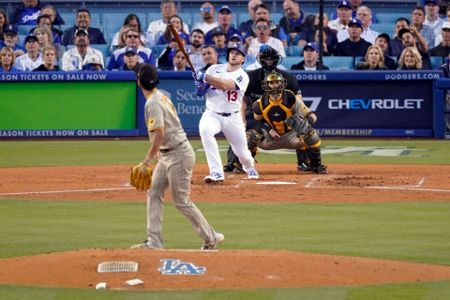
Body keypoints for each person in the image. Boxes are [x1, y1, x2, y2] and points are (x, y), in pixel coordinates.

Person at [130, 63, 224, 250]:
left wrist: (147, 159)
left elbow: (159, 133)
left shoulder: (153, 102)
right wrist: (158, 153)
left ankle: (211, 237)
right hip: (169, 153)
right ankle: (154, 241)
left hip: (178, 154)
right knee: (154, 192)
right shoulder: (160, 96)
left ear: (138, 81)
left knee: (181, 201)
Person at [225, 45, 312, 173]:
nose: (269, 61)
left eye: (272, 59)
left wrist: (295, 116)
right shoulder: (251, 77)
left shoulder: (288, 77)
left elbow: (298, 98)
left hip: (283, 115)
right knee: (240, 126)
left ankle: (305, 162)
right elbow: (243, 100)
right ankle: (235, 162)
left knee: (303, 124)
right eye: (266, 59)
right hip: (257, 117)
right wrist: (241, 118)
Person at [193, 44, 259, 183]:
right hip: (212, 113)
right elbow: (201, 92)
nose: (234, 55)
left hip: (233, 116)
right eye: (232, 52)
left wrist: (205, 76)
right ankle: (216, 173)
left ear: (243, 59)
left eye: (238, 53)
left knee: (242, 152)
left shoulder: (243, 76)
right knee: (205, 131)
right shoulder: (214, 69)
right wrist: (199, 84)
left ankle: (249, 166)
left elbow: (225, 85)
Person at [248, 72, 327, 174]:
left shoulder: (291, 99)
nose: (275, 85)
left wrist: (307, 122)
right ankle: (246, 165)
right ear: (266, 85)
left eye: (277, 82)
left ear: (282, 83)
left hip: (292, 137)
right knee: (251, 135)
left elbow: (311, 114)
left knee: (310, 132)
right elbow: (256, 122)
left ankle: (316, 165)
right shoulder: (259, 104)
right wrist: (269, 130)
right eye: (271, 83)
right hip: (270, 139)